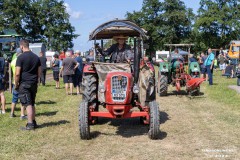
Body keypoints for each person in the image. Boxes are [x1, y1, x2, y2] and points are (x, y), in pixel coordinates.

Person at [15, 39, 41, 130]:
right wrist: (36, 81)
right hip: (33, 83)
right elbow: (39, 72)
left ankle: (30, 124)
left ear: (22, 46)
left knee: (28, 104)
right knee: (32, 103)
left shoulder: (20, 57)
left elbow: (17, 73)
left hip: (24, 83)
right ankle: (33, 122)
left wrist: (16, 84)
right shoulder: (36, 57)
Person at [10, 48, 27, 119]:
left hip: (14, 81)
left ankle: (12, 113)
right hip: (21, 81)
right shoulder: (22, 60)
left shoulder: (12, 61)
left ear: (16, 53)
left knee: (14, 98)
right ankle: (22, 114)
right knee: (22, 98)